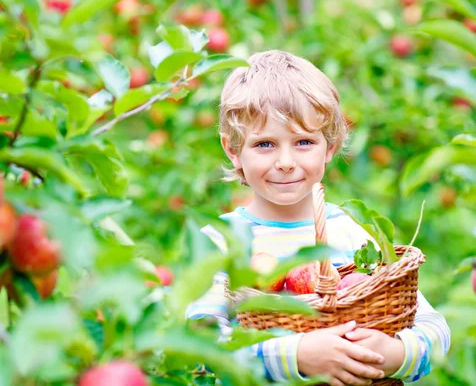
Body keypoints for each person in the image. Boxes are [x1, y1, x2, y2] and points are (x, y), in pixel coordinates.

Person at [186, 50, 450, 386]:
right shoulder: (222, 241)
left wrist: (394, 354)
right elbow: (198, 344)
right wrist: (295, 356)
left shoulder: (352, 234)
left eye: (304, 142)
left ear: (329, 146)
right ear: (233, 150)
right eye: (265, 144)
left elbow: (434, 327)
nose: (285, 161)